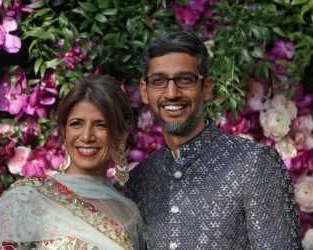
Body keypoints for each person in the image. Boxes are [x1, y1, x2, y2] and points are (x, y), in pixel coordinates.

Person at [125, 31, 302, 249]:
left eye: (185, 79)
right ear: (145, 91)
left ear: (206, 88)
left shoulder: (254, 163)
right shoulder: (138, 182)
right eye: (159, 81)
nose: (171, 93)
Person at [0, 75, 144, 250]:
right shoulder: (28, 198)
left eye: (100, 125)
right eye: (76, 124)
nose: (87, 136)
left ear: (121, 136)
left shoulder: (130, 214)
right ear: (64, 132)